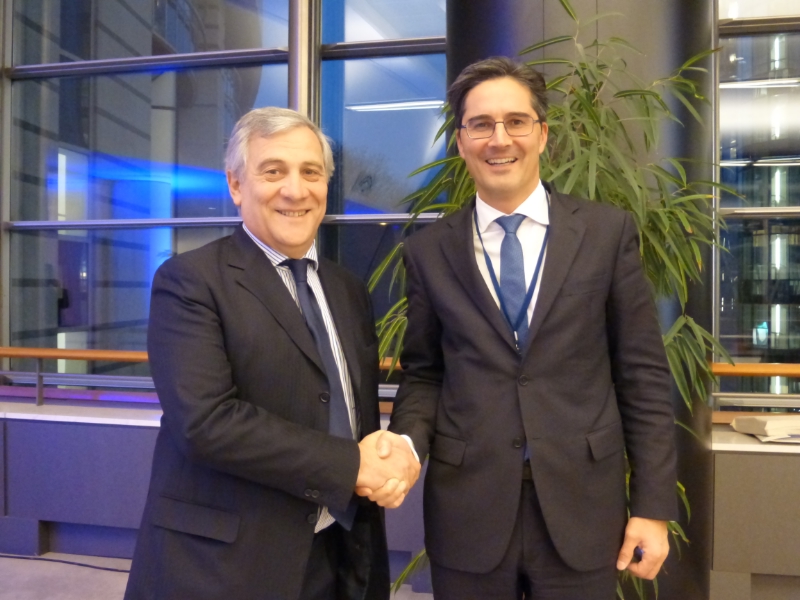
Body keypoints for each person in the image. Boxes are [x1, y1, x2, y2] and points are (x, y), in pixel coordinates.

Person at [388, 57, 678, 599]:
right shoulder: (428, 251)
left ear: (542, 134)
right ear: (461, 141)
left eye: (516, 122)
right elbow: (425, 373)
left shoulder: (605, 234)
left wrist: (652, 506)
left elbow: (641, 375)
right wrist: (405, 443)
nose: (500, 139)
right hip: (468, 510)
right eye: (481, 124)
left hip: (582, 506)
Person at [125, 107, 419, 600]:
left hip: (340, 554)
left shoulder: (348, 290)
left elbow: (352, 412)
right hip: (225, 568)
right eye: (273, 171)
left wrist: (385, 462)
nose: (295, 190)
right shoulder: (190, 282)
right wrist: (352, 465)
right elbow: (207, 422)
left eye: (311, 172)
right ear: (236, 185)